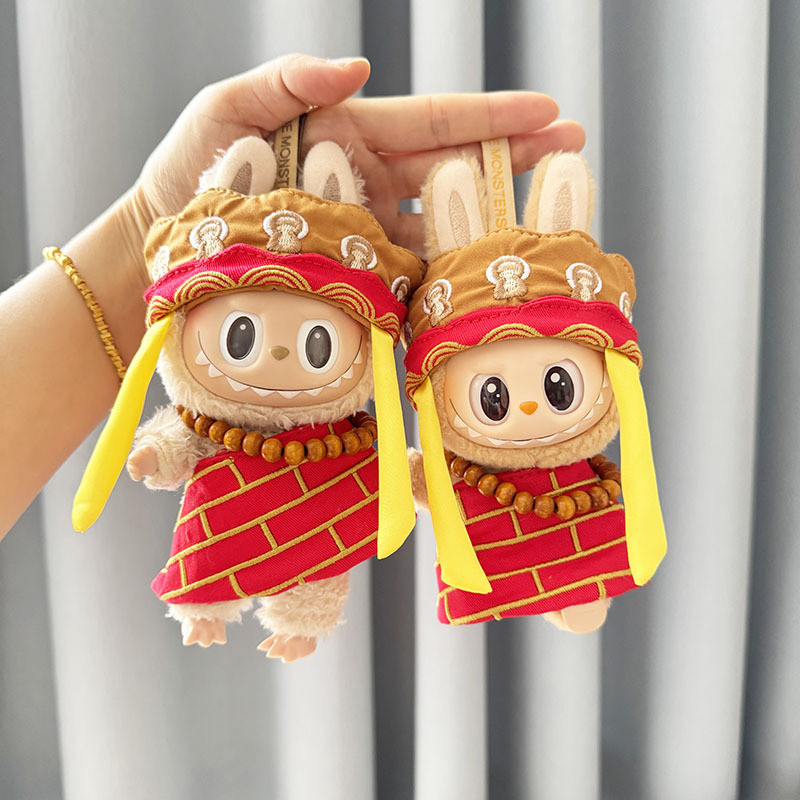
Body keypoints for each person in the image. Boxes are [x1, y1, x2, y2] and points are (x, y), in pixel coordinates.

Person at [0, 53, 584, 538]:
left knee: (317, 590)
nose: (276, 357)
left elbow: (401, 475)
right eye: (240, 335)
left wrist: (423, 480)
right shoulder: (224, 424)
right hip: (223, 546)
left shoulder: (344, 440)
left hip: (317, 547)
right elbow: (180, 439)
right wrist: (158, 450)